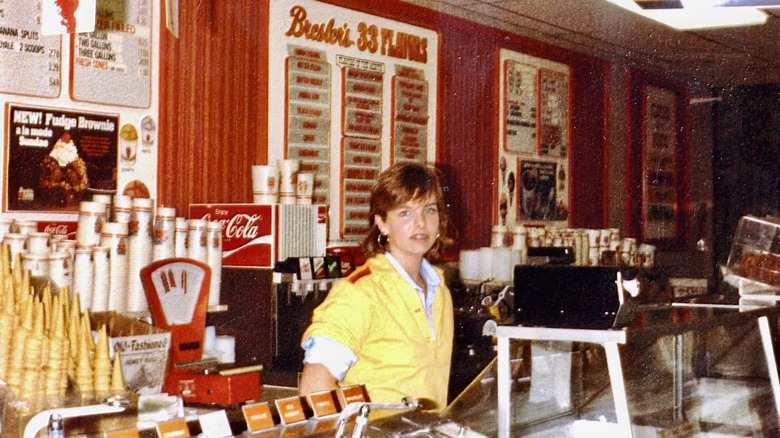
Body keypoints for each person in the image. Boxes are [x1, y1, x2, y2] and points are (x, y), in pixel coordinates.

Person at [299, 162, 455, 412]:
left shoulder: (439, 291)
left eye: (429, 210)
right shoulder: (360, 292)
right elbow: (314, 389)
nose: (420, 223)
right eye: (405, 213)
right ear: (382, 223)